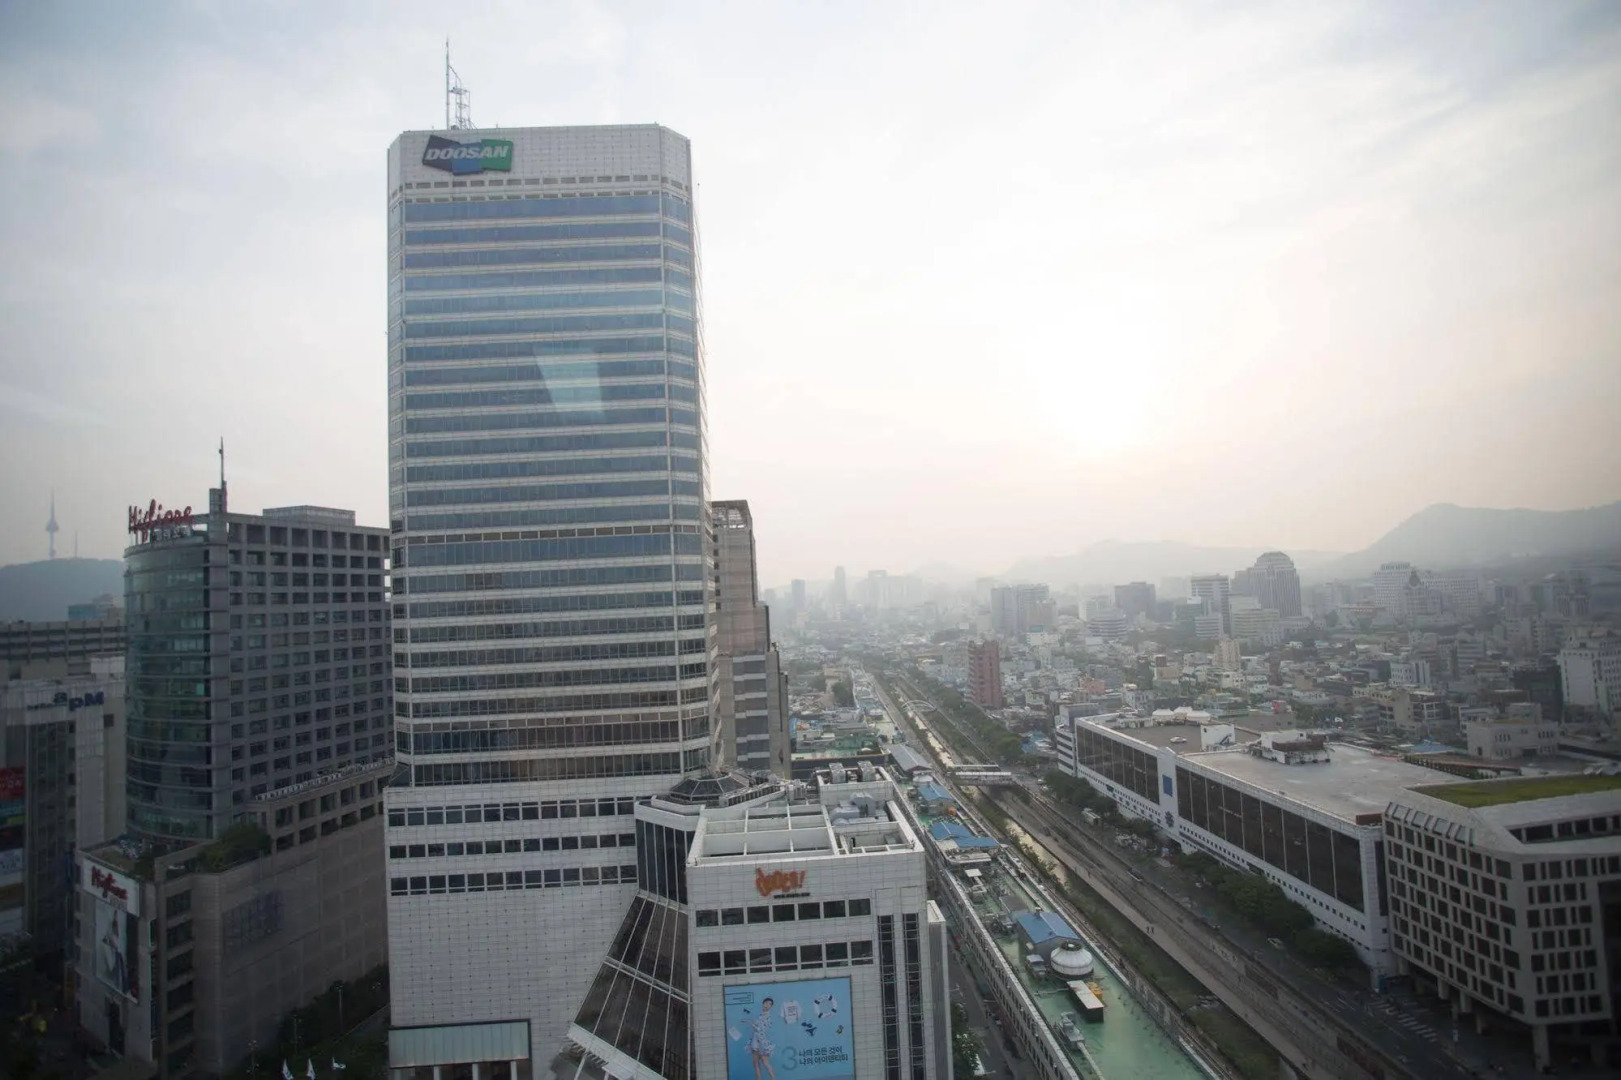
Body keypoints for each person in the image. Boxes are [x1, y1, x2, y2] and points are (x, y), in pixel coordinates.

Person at [746, 997, 777, 1080]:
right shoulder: (761, 1015)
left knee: (763, 1062)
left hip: (761, 1042)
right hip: (756, 1041)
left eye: (769, 1004)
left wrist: (751, 1023)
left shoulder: (767, 1016)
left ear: (771, 1007)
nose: (767, 1005)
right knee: (757, 1064)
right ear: (763, 1003)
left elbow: (760, 1029)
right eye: (766, 1003)